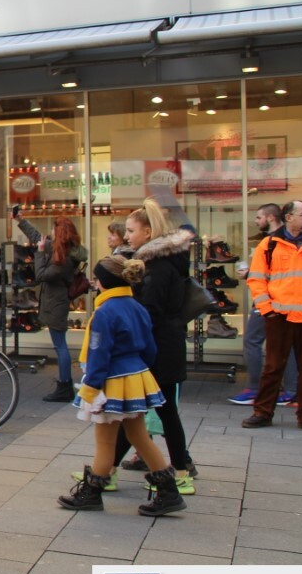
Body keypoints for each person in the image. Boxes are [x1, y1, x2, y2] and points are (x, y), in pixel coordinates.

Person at [57, 255, 187, 516]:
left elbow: (99, 353)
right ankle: (168, 491)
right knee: (139, 437)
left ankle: (92, 493)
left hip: (112, 381)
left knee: (105, 441)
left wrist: (91, 388)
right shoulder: (137, 306)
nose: (94, 283)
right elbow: (150, 349)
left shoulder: (105, 312)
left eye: (97, 278)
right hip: (136, 376)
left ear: (104, 282)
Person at [108, 200, 197, 493]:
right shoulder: (161, 261)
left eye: (131, 230)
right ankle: (107, 470)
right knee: (140, 413)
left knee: (157, 412)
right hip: (162, 345)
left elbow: (151, 310)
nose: (126, 236)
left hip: (159, 348)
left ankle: (180, 471)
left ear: (147, 232)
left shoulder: (158, 266)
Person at [242, 200, 302, 433]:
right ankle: (262, 413)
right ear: (289, 217)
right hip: (279, 316)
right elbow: (256, 279)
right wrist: (267, 309)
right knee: (273, 367)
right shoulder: (269, 245)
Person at [12, 210, 88, 401]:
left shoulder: (65, 259)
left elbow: (40, 276)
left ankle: (65, 386)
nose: (51, 233)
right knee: (59, 344)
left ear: (60, 233)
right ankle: (64, 384)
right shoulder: (61, 250)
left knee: (60, 345)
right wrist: (21, 220)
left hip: (57, 304)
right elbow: (38, 238)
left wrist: (39, 253)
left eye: (54, 230)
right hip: (54, 302)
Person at [230, 203, 297, 406]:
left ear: (270, 218)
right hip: (282, 301)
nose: (256, 221)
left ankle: (255, 389)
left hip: (268, 301)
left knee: (252, 341)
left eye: (259, 217)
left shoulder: (273, 242)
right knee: (286, 345)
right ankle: (290, 390)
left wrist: (250, 275)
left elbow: (276, 273)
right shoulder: (287, 240)